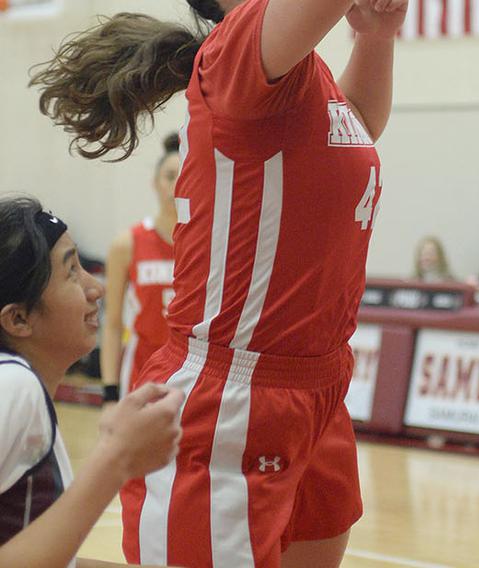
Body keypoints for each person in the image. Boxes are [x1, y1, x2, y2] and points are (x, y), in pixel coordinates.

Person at [30, 0, 408, 566]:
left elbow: (357, 124)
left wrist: (376, 38)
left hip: (319, 384)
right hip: (232, 395)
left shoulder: (301, 70)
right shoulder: (237, 48)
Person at [0, 196, 183, 567]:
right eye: (71, 272)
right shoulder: (13, 387)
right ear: (18, 319)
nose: (94, 287)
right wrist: (117, 457)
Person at [100, 133, 179, 405]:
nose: (177, 185)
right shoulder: (128, 244)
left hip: (191, 379)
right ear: (155, 183)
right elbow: (111, 325)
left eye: (185, 175)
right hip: (140, 375)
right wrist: (109, 394)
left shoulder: (210, 246)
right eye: (170, 176)